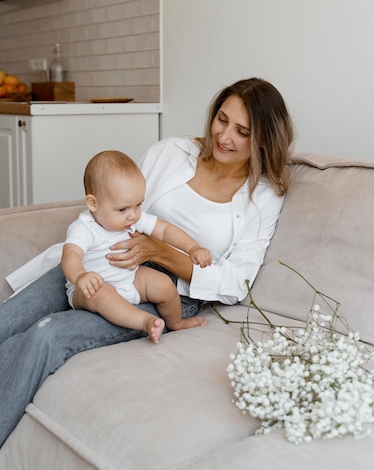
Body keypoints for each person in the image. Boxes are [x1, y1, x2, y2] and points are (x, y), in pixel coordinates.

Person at [0, 77, 294, 447]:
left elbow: (238, 283)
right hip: (100, 262)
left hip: (164, 291)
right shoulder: (171, 152)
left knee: (47, 334)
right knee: (7, 320)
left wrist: (161, 252)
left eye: (242, 132)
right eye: (222, 120)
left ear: (264, 139)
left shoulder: (264, 195)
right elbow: (113, 203)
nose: (224, 137)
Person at [62, 150, 210, 343]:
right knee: (102, 294)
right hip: (90, 290)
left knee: (164, 284)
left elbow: (164, 230)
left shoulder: (131, 219)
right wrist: (81, 276)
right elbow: (70, 255)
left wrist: (192, 248)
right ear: (93, 203)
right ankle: (144, 321)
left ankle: (176, 322)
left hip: (129, 279)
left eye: (138, 205)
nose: (133, 215)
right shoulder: (84, 228)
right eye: (123, 209)